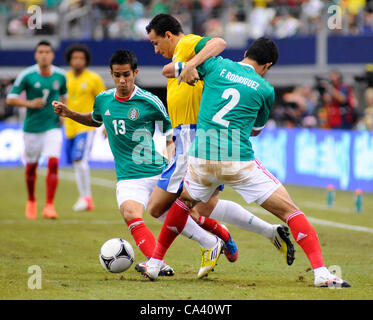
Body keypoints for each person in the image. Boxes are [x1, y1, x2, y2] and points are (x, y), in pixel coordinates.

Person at [142, 37, 351, 288]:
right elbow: (255, 131)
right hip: (237, 160)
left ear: (245, 53)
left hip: (202, 155)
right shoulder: (265, 89)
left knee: (184, 202)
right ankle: (321, 272)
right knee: (290, 211)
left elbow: (168, 70)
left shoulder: (215, 65)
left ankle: (154, 263)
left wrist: (189, 66)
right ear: (267, 65)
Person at [53, 49, 230, 278]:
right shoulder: (104, 99)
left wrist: (171, 154)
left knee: (189, 213)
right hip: (128, 176)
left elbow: (170, 131)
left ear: (135, 72)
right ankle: (158, 262)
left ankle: (219, 238)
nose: (122, 80)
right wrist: (69, 113)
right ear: (111, 74)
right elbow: (95, 120)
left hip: (157, 170)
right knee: (130, 213)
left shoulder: (149, 101)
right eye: (117, 75)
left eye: (127, 74)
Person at [144, 13, 295, 277]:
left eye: (156, 43)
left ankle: (208, 242)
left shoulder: (188, 43)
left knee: (158, 207)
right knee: (204, 207)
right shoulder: (179, 57)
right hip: (187, 136)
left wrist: (191, 63)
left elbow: (219, 43)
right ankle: (267, 231)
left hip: (196, 137)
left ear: (168, 35)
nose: (156, 50)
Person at [6, 40, 67, 220]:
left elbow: (64, 95)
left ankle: (49, 205)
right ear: (36, 55)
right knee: (31, 167)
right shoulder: (27, 75)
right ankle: (31, 200)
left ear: (52, 55)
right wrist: (29, 103)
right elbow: (10, 99)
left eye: (47, 52)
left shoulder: (61, 76)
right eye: (41, 52)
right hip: (32, 128)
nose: (44, 55)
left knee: (54, 162)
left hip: (52, 126)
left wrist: (63, 115)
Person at [64, 44, 106, 211]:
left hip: (87, 126)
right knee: (75, 162)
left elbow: (103, 100)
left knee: (79, 160)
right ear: (69, 60)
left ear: (86, 60)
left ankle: (86, 198)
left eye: (81, 58)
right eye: (75, 58)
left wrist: (105, 124)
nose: (78, 61)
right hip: (69, 127)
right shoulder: (65, 77)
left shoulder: (93, 78)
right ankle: (85, 197)